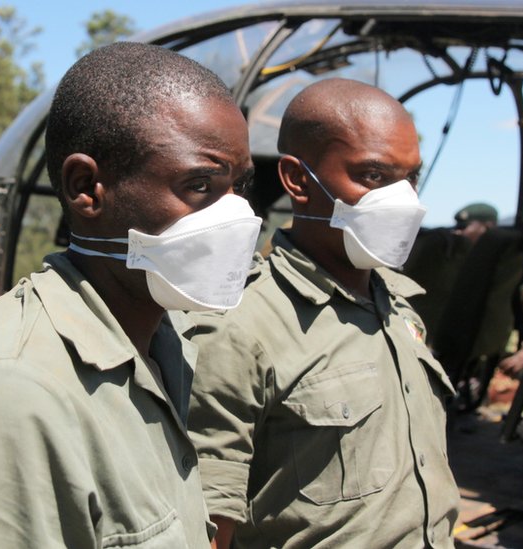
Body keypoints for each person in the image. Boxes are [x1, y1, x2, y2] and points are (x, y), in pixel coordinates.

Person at [0, 42, 260, 548]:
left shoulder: (158, 345)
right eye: (200, 184)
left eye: (240, 185)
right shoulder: (15, 396)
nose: (235, 216)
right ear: (86, 188)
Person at [187, 78, 459, 549]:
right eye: (373, 176)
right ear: (297, 179)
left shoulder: (398, 306)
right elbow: (209, 527)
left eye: (410, 177)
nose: (402, 199)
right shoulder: (242, 326)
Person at [451, 203, 523, 379]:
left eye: (464, 227)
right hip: (468, 370)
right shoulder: (463, 265)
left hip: (503, 370)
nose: (458, 233)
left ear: (488, 229)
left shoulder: (515, 269)